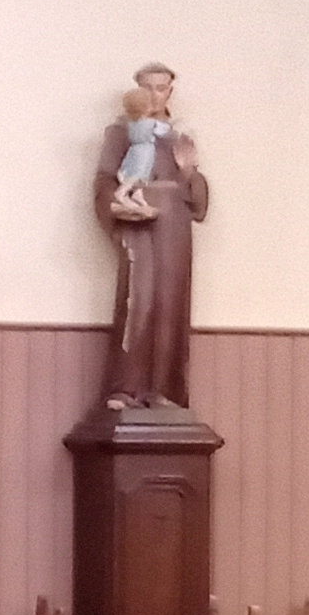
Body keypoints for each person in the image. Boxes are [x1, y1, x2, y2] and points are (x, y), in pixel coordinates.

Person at [95, 63, 207, 413]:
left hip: (174, 228)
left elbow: (200, 203)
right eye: (147, 88)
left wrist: (189, 171)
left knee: (170, 305)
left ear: (170, 92)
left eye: (161, 88)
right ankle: (127, 388)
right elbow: (104, 182)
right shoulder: (122, 132)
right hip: (139, 227)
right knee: (138, 302)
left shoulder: (180, 136)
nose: (154, 95)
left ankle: (165, 390)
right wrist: (116, 207)